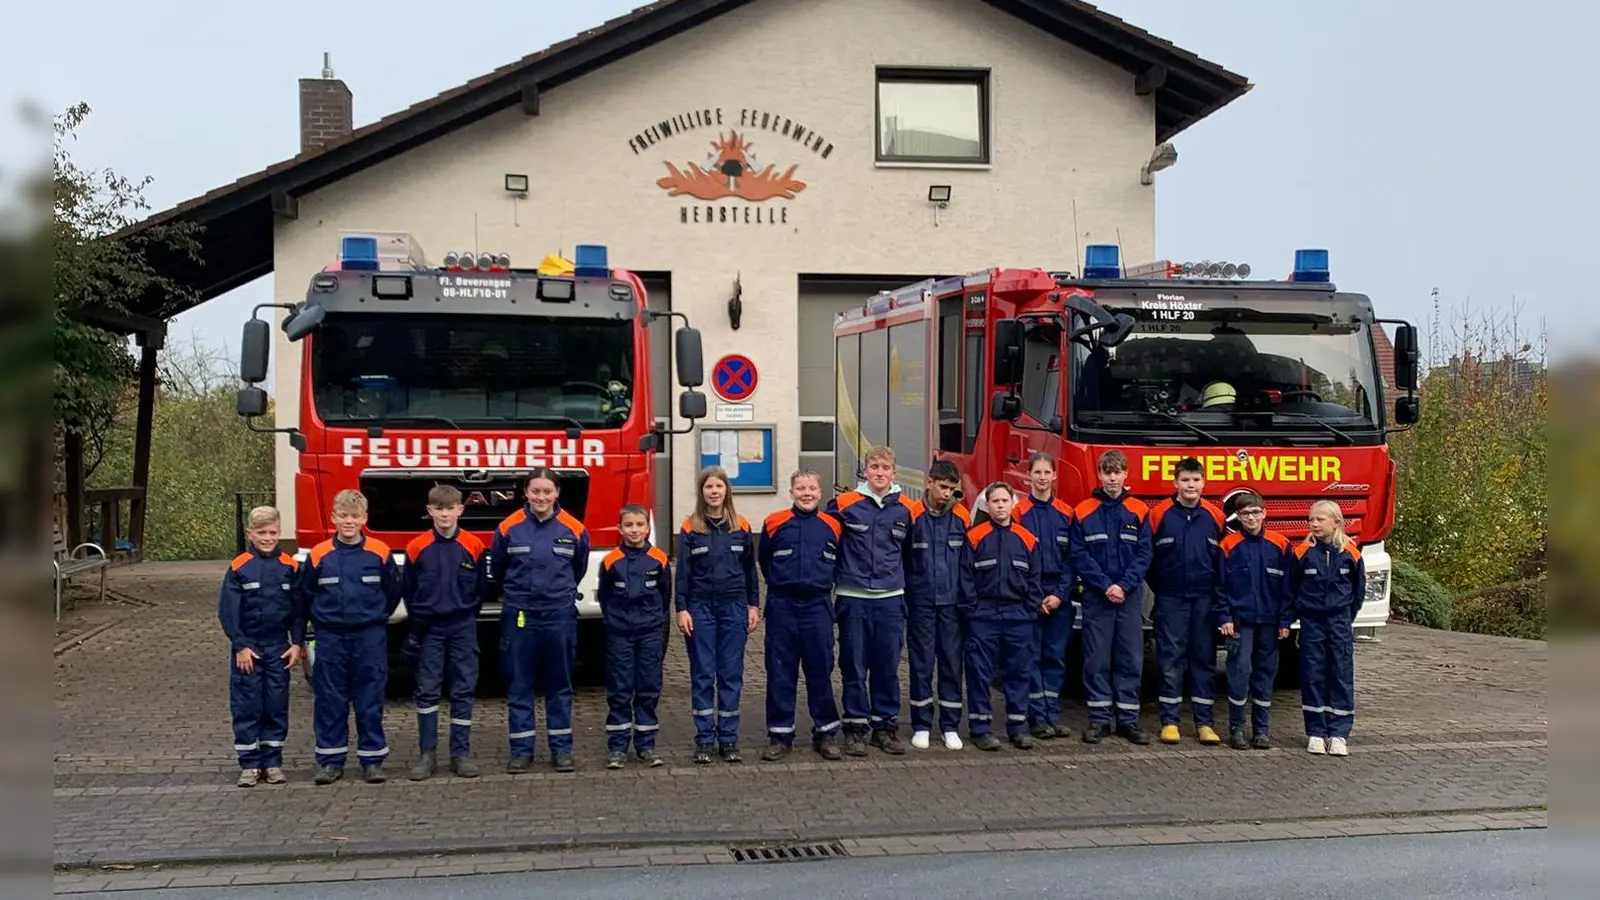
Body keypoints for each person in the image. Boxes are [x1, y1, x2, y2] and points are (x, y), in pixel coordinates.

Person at [490, 469, 590, 773]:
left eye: (547, 491)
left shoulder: (574, 528)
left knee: (559, 684)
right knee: (520, 684)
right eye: (535, 491)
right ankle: (521, 751)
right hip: (521, 615)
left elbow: (579, 567)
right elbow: (498, 567)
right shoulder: (509, 528)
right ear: (526, 493)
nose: (541, 497)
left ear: (557, 492)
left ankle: (561, 751)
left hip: (559, 614)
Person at [299, 490, 401, 785]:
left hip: (369, 636)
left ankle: (372, 761)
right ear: (333, 518)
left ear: (364, 519)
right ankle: (330, 762)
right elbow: (305, 596)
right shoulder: (319, 555)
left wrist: (376, 616)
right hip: (330, 637)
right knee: (331, 700)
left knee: (370, 700)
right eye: (343, 516)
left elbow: (393, 592)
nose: (349, 521)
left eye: (355, 516)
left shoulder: (380, 552)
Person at [826, 445, 922, 756]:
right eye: (874, 467)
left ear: (894, 473)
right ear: (865, 470)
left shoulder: (908, 509)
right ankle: (855, 728)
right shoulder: (843, 504)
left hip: (891, 599)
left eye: (885, 468)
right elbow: (828, 546)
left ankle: (885, 727)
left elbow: (910, 555)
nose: (879, 473)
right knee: (853, 664)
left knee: (887, 665)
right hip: (853, 597)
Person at [757, 469, 844, 761]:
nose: (806, 493)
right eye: (801, 488)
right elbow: (765, 562)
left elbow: (840, 563)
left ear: (820, 493)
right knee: (781, 673)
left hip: (818, 607)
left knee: (820, 671)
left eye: (812, 488)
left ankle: (827, 734)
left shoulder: (832, 525)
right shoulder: (774, 523)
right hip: (782, 606)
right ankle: (780, 737)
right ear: (791, 492)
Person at [960, 482, 1055, 751]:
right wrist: (973, 611)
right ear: (987, 506)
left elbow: (1035, 580)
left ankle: (1018, 728)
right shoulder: (975, 537)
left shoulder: (1027, 539)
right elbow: (966, 579)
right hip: (984, 616)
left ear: (1014, 504)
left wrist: (1028, 610)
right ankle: (980, 729)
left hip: (1018, 617)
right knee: (979, 673)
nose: (1000, 506)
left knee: (1018, 673)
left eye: (1005, 501)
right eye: (995, 501)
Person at [676, 466, 759, 764]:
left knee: (730, 675)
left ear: (727, 491)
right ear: (701, 492)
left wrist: (753, 605)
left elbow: (751, 571)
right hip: (700, 609)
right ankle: (705, 740)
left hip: (734, 608)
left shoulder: (742, 526)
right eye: (708, 487)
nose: (714, 491)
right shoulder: (689, 528)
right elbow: (682, 574)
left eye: (719, 486)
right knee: (702, 675)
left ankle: (729, 739)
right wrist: (681, 609)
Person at [402, 485, 486, 780]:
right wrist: (420, 622)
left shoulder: (474, 545)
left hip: (463, 627)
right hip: (429, 629)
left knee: (463, 689)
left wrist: (464, 613)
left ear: (460, 510)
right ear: (430, 511)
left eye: (450, 508)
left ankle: (460, 755)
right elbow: (409, 591)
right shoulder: (417, 546)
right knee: (427, 691)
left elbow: (480, 591)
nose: (445, 514)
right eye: (439, 509)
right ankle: (427, 755)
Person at [1070, 450, 1153, 746]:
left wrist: (1124, 586)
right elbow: (1079, 555)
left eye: (1117, 472)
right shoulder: (1083, 511)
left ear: (1125, 475)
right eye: (1107, 472)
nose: (1112, 478)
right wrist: (1106, 586)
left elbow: (1145, 554)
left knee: (1130, 658)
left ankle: (1128, 721)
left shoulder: (1139, 511)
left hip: (1128, 597)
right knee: (1096, 659)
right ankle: (1099, 720)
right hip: (1098, 597)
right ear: (1100, 475)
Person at [218, 506, 304, 788]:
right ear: (250, 534)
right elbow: (228, 612)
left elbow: (299, 610)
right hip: (249, 651)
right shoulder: (239, 567)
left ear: (280, 533)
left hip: (278, 648)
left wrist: (297, 644)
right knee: (247, 705)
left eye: (272, 533)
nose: (267, 538)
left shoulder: (290, 567)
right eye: (261, 533)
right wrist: (240, 645)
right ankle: (250, 765)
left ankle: (273, 762)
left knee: (276, 705)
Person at [1147, 457, 1227, 746]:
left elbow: (1221, 561)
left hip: (1204, 599)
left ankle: (1204, 723)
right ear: (1175, 483)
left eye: (1195, 480)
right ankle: (1169, 721)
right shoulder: (1160, 515)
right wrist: (1163, 589)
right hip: (1171, 599)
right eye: (1185, 480)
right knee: (1170, 660)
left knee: (1204, 660)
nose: (1190, 485)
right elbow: (1149, 559)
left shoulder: (1215, 516)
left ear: (1203, 482)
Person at [1214, 490, 1293, 750]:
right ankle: (1236, 729)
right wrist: (1224, 616)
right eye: (1246, 513)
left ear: (1264, 513)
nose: (1251, 518)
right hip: (1240, 623)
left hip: (1270, 623)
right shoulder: (1228, 545)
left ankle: (1261, 730)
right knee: (1239, 673)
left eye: (1256, 512)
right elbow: (1219, 587)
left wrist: (1285, 621)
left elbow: (1288, 589)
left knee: (1265, 674)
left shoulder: (1280, 545)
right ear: (1238, 516)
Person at [595, 504, 671, 769]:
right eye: (629, 525)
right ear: (620, 529)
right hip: (620, 635)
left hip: (649, 634)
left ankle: (646, 745)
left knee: (648, 687)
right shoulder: (610, 561)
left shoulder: (660, 559)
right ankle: (617, 747)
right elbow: (604, 597)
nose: (635, 530)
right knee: (619, 688)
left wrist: (653, 624)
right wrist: (616, 622)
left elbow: (664, 597)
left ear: (648, 528)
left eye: (640, 525)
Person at [905, 459, 971, 751]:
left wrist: (967, 602)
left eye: (952, 489)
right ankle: (921, 725)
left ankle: (949, 726)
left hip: (952, 606)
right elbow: (902, 561)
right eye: (942, 487)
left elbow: (968, 565)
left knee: (951, 665)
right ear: (929, 482)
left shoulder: (962, 518)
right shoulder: (911, 515)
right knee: (921, 665)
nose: (946, 494)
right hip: (920, 604)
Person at [1292, 499, 1366, 757]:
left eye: (1320, 519)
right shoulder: (1302, 553)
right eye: (1311, 519)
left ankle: (1338, 734)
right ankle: (1315, 732)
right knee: (1312, 676)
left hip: (1339, 623)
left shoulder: (1352, 555)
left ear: (1336, 522)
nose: (1314, 524)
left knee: (1340, 676)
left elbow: (1358, 593)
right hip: (1312, 623)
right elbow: (1292, 587)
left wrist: (1344, 616)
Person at [1013, 452, 1075, 741]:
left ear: (1054, 476)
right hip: (1031, 596)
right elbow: (1015, 558)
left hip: (1058, 597)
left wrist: (1060, 595)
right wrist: (1035, 596)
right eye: (1036, 472)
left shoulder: (1066, 513)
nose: (1041, 477)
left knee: (1055, 657)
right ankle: (1036, 716)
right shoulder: (1019, 512)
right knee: (1031, 656)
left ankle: (1051, 714)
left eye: (1046, 472)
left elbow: (1071, 560)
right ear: (1028, 477)